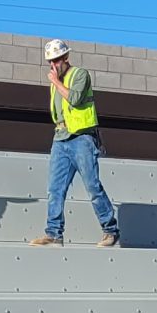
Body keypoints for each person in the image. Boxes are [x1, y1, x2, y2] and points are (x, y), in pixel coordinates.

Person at [30, 38, 120, 247]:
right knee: (55, 189)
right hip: (61, 138)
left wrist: (56, 82)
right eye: (50, 61)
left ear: (66, 57)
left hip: (81, 138)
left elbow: (75, 99)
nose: (53, 65)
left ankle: (110, 230)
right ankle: (53, 233)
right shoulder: (56, 82)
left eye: (56, 60)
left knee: (92, 186)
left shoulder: (79, 75)